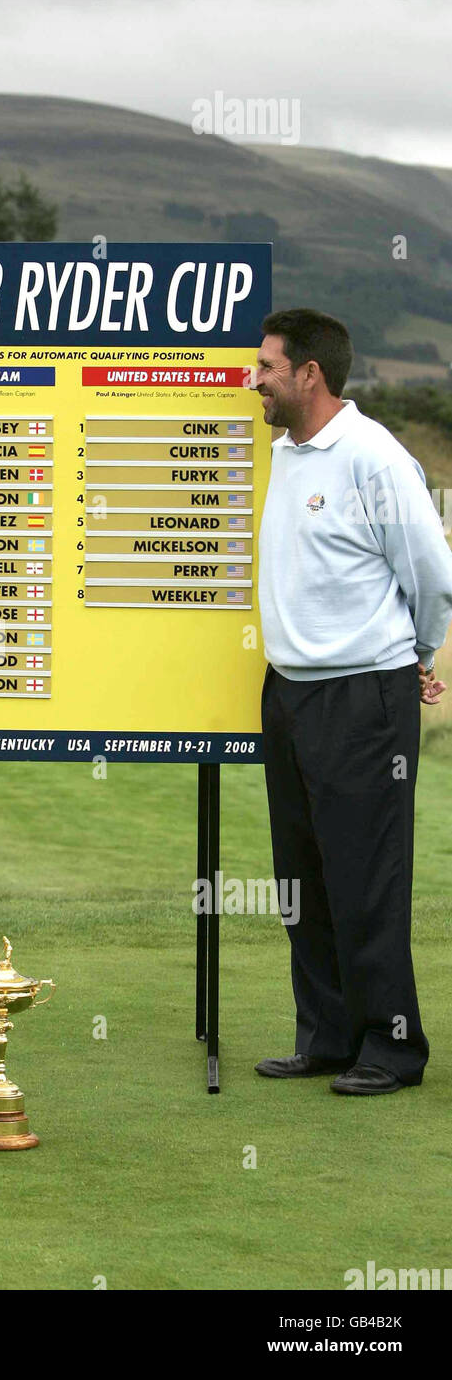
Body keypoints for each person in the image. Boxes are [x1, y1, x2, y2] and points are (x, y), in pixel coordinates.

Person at [253, 308, 452, 1096]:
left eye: (267, 367)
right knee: (300, 878)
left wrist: (421, 653)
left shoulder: (374, 456)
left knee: (363, 876)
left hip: (361, 696)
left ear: (309, 374)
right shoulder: (287, 454)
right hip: (289, 692)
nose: (255, 380)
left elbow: (431, 573)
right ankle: (328, 1036)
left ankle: (392, 1047)